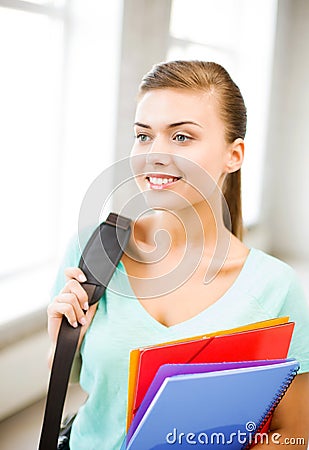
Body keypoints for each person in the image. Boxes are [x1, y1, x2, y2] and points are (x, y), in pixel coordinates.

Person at [47, 60, 309, 450]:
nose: (155, 154)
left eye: (182, 137)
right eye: (143, 135)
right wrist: (64, 335)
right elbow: (77, 382)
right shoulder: (94, 248)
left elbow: (295, 433)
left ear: (233, 155)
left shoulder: (275, 288)